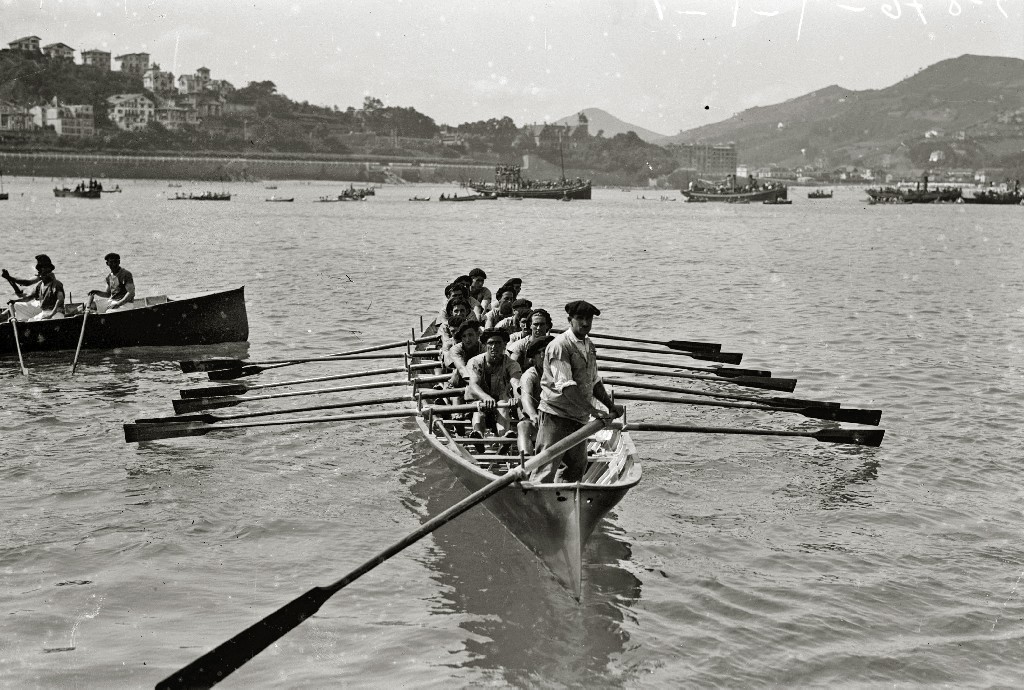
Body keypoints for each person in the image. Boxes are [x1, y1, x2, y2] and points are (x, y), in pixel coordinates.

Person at [537, 300, 623, 483]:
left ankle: (564, 498)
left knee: (577, 466)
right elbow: (566, 387)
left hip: (578, 417)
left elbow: (594, 381)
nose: (585, 323)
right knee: (546, 467)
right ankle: (535, 498)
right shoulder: (560, 346)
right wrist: (594, 411)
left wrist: (610, 406)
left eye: (589, 319)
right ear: (570, 320)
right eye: (580, 318)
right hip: (556, 415)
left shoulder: (589, 345)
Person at [464, 328, 522, 439]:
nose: (494, 346)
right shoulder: (475, 361)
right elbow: (473, 385)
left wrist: (516, 398)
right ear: (485, 345)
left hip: (500, 404)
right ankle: (477, 434)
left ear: (505, 345)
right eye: (491, 343)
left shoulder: (512, 364)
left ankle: (504, 437)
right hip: (478, 403)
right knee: (479, 409)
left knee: (503, 405)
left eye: (498, 343)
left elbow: (515, 383)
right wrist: (485, 397)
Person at [516, 334, 554, 455]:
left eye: (547, 351)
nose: (544, 355)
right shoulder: (529, 376)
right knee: (523, 426)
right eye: (541, 352)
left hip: (557, 421)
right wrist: (533, 415)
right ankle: (526, 459)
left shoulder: (561, 372)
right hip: (537, 421)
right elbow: (526, 398)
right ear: (534, 357)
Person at [8, 256, 65, 321]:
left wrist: (51, 314)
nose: (42, 275)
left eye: (45, 272)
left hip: (56, 314)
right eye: (41, 273)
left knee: (43, 321)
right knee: (30, 321)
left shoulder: (56, 284)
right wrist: (15, 301)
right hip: (44, 313)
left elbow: (60, 299)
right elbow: (29, 297)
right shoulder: (40, 285)